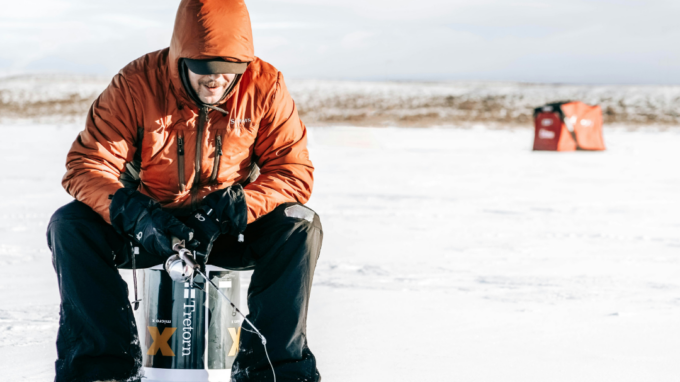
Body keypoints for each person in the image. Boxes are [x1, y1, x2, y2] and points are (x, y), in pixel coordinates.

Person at [46, 0, 322, 381]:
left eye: (229, 72)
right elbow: (87, 164)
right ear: (180, 58)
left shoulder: (266, 86)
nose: (216, 81)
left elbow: (292, 170)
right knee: (70, 224)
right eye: (204, 70)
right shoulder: (136, 84)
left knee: (299, 225)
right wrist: (136, 214)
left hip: (227, 224)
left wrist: (237, 207)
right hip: (150, 226)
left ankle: (276, 371)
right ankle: (103, 370)